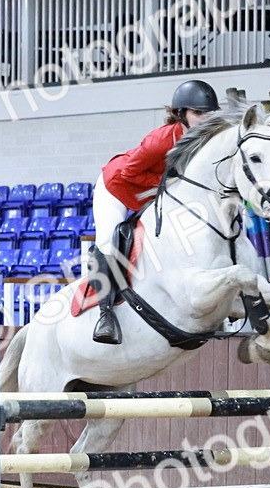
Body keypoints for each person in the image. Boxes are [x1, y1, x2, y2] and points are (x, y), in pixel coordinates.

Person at [87, 79, 221, 344]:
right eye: (198, 113)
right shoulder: (161, 139)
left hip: (152, 193)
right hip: (116, 186)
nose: (205, 119)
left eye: (209, 113)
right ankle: (105, 316)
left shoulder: (208, 140)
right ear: (181, 114)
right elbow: (129, 172)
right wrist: (172, 184)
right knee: (106, 243)